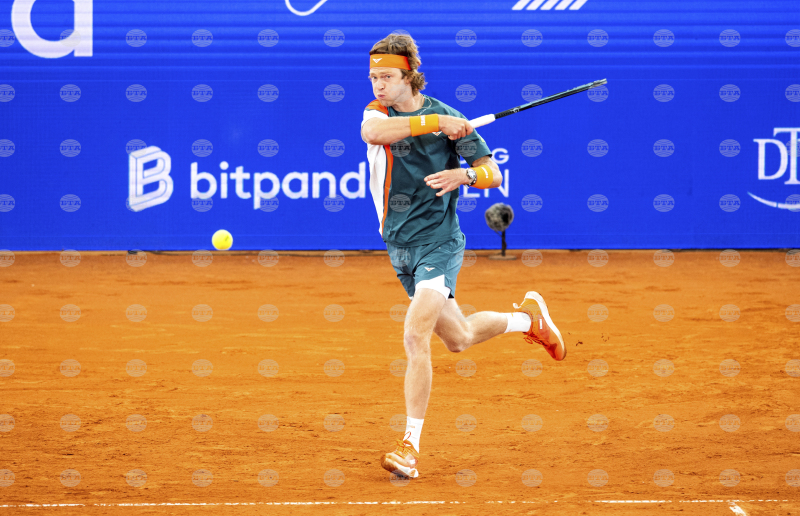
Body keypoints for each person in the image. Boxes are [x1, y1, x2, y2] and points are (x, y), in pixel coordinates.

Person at [360, 33, 567, 479]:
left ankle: (409, 447)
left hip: (439, 242)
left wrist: (465, 175)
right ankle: (528, 321)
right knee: (459, 338)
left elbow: (492, 173)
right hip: (399, 246)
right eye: (374, 76)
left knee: (414, 334)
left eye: (387, 77)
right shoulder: (381, 113)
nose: (378, 84)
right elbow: (372, 134)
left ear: (410, 76)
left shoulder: (454, 121)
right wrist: (437, 122)